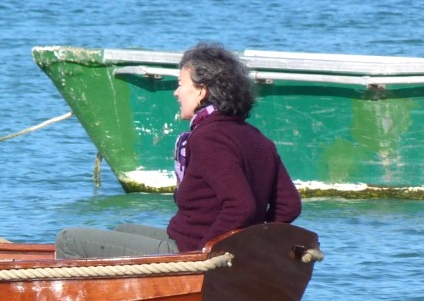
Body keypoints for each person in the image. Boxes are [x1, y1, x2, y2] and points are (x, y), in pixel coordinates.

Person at [55, 42, 301, 259]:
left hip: (189, 250)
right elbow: (289, 206)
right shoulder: (257, 137)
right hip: (199, 244)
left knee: (69, 239)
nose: (176, 92)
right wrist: (252, 244)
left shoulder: (208, 138)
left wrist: (206, 253)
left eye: (181, 84)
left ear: (202, 91)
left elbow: (241, 206)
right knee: (123, 230)